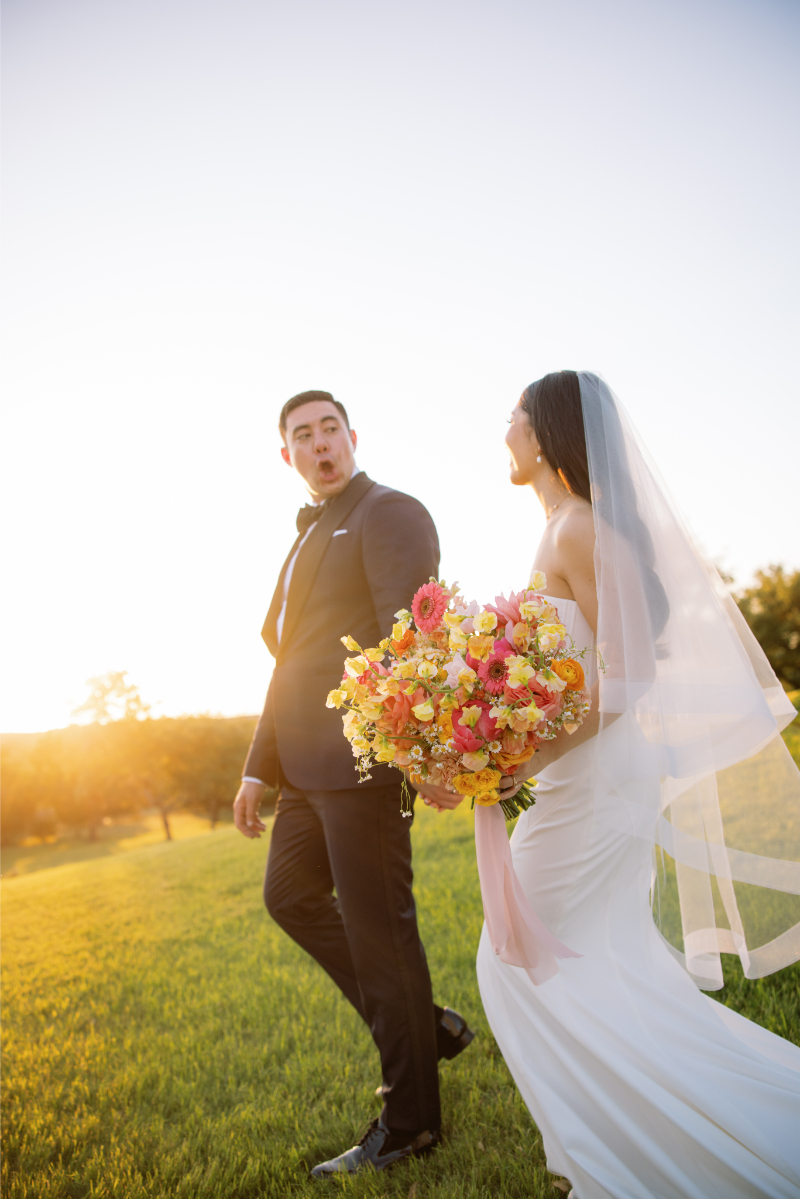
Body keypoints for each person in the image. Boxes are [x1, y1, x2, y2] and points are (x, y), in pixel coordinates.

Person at [417, 371, 800, 1198]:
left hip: (595, 777)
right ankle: (620, 1144)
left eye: (515, 415)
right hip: (583, 772)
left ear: (550, 434)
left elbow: (622, 683)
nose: (505, 428)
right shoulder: (563, 526)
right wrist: (484, 737)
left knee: (514, 960)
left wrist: (518, 761)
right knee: (601, 959)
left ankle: (624, 1152)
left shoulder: (581, 529)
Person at [232, 390, 474, 1178]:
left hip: (366, 764)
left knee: (382, 932)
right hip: (302, 769)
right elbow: (290, 663)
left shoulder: (388, 512)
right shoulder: (301, 538)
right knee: (288, 896)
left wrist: (420, 749)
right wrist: (257, 765)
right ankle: (423, 1024)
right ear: (287, 456)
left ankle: (409, 1126)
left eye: (330, 428)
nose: (320, 443)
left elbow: (409, 640)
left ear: (351, 435)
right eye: (303, 435)